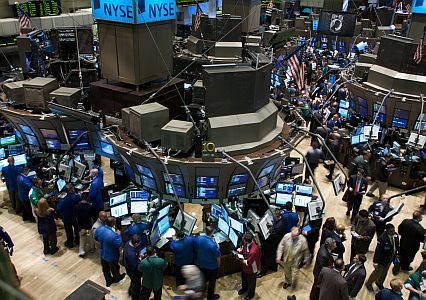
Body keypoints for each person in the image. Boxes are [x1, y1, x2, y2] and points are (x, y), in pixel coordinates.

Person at [366, 223, 400, 292]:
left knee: (385, 272)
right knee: (377, 272)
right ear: (386, 231)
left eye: (393, 230)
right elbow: (378, 251)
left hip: (390, 257)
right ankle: (369, 283)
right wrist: (375, 262)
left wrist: (397, 254)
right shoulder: (382, 238)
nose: (393, 232)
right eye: (391, 231)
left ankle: (379, 282)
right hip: (382, 259)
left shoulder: (395, 235)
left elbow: (397, 245)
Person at [94, 217, 125, 287]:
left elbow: (95, 238)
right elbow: (119, 244)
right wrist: (119, 235)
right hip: (112, 255)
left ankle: (108, 281)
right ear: (113, 224)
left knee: (105, 269)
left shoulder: (99, 229)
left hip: (102, 253)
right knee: (115, 268)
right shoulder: (114, 235)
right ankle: (117, 278)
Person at [195, 226, 221, 300]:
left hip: (201, 263)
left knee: (203, 279)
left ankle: (201, 292)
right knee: (212, 282)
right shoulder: (213, 245)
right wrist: (218, 246)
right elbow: (217, 255)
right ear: (212, 233)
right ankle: (210, 296)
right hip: (211, 266)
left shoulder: (199, 238)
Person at [259, 209, 285, 276]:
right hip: (275, 242)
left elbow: (270, 237)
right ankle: (273, 268)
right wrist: (271, 226)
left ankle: (263, 272)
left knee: (267, 258)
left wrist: (264, 233)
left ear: (277, 216)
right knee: (271, 257)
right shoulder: (280, 221)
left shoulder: (278, 227)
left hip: (272, 244)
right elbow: (274, 227)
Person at [237, 232, 261, 300]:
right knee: (244, 278)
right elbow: (244, 250)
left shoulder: (254, 250)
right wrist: (240, 251)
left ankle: (250, 294)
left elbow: (248, 262)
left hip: (252, 267)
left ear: (246, 240)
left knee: (251, 282)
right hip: (245, 266)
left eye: (243, 239)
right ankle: (244, 288)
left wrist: (238, 258)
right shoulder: (247, 243)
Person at [74, 192, 95, 257]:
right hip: (89, 224)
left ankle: (81, 251)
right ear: (87, 198)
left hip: (80, 224)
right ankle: (92, 248)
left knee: (82, 238)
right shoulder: (90, 207)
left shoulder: (76, 207)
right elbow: (92, 216)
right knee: (91, 237)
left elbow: (75, 216)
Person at [123, 234, 143, 300]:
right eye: (138, 244)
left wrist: (137, 254)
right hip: (133, 272)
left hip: (128, 267)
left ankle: (131, 291)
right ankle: (135, 297)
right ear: (136, 243)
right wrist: (140, 258)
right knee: (136, 285)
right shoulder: (131, 254)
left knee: (133, 282)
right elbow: (135, 266)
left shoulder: (128, 242)